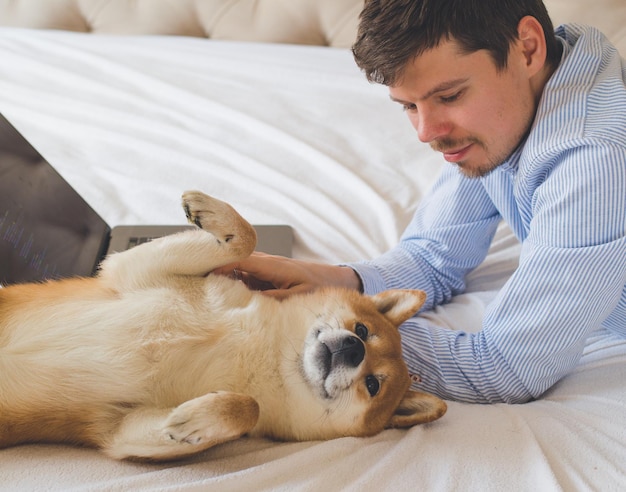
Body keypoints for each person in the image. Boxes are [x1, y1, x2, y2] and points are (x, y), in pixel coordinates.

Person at [219, 0, 626, 404]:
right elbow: (433, 258)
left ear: (528, 47)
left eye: (449, 96)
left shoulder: (594, 156)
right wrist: (334, 283)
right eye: (410, 106)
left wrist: (316, 320)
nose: (427, 132)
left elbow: (505, 368)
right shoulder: (529, 97)